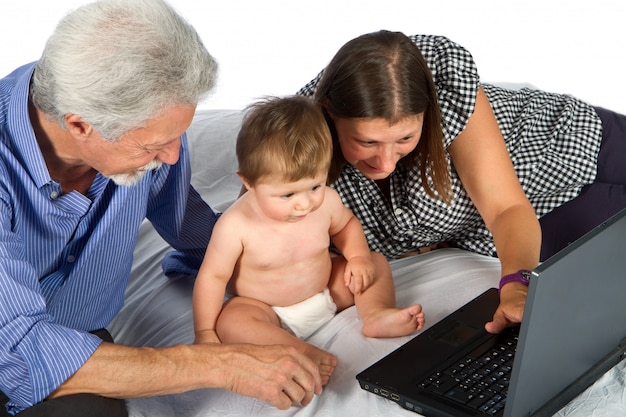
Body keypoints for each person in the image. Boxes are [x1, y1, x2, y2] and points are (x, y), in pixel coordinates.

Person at [0, 1, 322, 416]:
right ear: (80, 124)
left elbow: (188, 223)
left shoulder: (149, 125)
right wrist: (220, 364)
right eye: (152, 147)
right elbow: (21, 349)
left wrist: (295, 258)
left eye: (178, 137)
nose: (171, 157)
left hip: (77, 343)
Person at [297, 30, 626, 335]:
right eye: (367, 142)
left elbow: (506, 206)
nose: (385, 161)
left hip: (567, 141)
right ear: (330, 112)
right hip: (535, 219)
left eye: (405, 138)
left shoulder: (443, 80)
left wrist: (515, 282)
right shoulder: (293, 150)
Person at [192, 95, 425, 385]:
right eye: (287, 195)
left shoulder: (326, 201)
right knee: (232, 322)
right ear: (248, 183)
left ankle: (376, 314)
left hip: (327, 290)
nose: (303, 204)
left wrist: (358, 257)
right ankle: (299, 351)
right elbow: (213, 277)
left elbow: (346, 225)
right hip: (267, 309)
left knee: (374, 263)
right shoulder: (235, 225)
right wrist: (205, 333)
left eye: (314, 186)